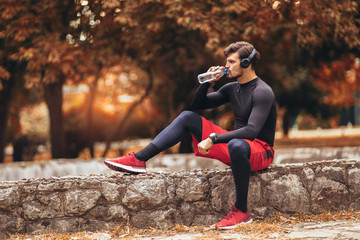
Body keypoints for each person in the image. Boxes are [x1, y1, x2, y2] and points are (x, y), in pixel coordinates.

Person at [104, 41, 277, 230]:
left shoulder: (262, 91)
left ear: (246, 63)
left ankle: (242, 211)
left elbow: (251, 131)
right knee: (188, 117)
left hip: (260, 150)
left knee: (236, 144)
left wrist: (214, 138)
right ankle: (138, 159)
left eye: (231, 62)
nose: (226, 66)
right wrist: (208, 83)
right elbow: (197, 105)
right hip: (238, 146)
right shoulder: (231, 88)